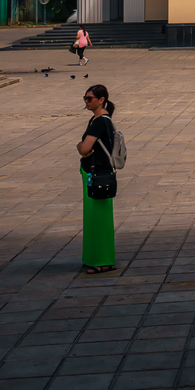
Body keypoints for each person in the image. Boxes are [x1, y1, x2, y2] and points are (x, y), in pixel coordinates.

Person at [76, 85, 117, 275]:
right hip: (95, 172)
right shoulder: (97, 119)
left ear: (101, 100)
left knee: (99, 220)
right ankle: (93, 256)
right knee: (93, 219)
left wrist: (80, 147)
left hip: (97, 174)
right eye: (85, 98)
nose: (86, 101)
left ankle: (104, 260)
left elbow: (84, 148)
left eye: (89, 98)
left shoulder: (100, 121)